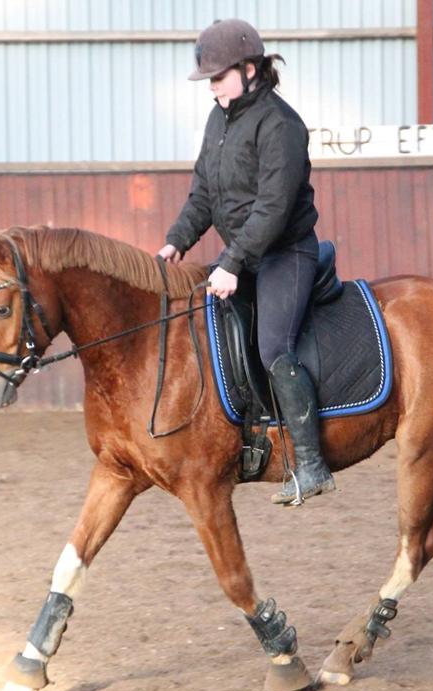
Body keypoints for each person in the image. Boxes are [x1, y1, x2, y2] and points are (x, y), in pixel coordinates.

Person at [158, 18, 334, 505]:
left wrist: (232, 262)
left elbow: (272, 208)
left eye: (217, 77)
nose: (211, 87)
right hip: (244, 254)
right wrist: (176, 241)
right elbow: (204, 194)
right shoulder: (221, 118)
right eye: (209, 79)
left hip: (285, 252)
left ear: (249, 69)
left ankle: (312, 464)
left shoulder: (281, 125)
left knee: (274, 346)